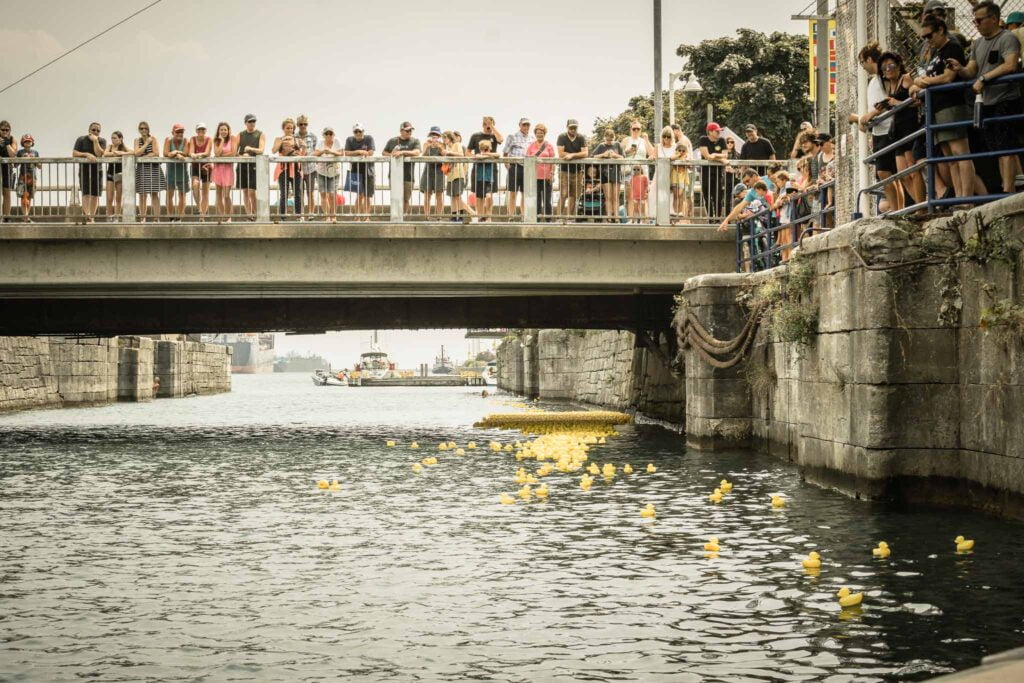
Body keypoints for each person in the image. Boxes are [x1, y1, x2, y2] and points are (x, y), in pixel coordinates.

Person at [948, 1, 1022, 194]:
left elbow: (1011, 64)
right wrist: (961, 69)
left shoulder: (1007, 38)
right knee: (997, 149)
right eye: (975, 21)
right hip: (986, 102)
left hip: (1006, 99)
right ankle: (1008, 187)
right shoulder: (978, 43)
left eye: (980, 20)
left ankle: (1008, 190)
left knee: (1005, 147)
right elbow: (972, 69)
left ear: (994, 19)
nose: (977, 24)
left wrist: (984, 78)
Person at [911, 18, 978, 199]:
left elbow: (948, 77)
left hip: (951, 105)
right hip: (936, 109)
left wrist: (922, 82)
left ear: (940, 30)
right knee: (949, 158)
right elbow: (930, 76)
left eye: (929, 35)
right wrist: (920, 83)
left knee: (960, 153)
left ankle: (967, 198)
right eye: (924, 37)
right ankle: (960, 197)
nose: (927, 40)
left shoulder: (952, 47)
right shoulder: (936, 52)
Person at [850, 42, 903, 213]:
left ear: (869, 59)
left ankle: (898, 209)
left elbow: (889, 100)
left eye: (862, 62)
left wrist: (869, 116)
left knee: (887, 173)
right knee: (885, 174)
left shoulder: (883, 77)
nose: (863, 67)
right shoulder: (873, 81)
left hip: (889, 129)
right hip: (879, 130)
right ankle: (898, 209)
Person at [879, 51, 926, 207]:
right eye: (884, 67)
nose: (888, 69)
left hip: (909, 127)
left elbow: (917, 101)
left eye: (891, 65)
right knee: (903, 175)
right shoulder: (889, 86)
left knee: (913, 171)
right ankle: (918, 205)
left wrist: (895, 103)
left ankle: (921, 206)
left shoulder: (905, 79)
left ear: (899, 65)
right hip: (898, 132)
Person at [467, 117, 503, 220]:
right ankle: (480, 217)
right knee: (479, 196)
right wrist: (478, 157)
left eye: (490, 123)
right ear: (482, 124)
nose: (488, 125)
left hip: (491, 171)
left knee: (489, 195)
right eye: (486, 123)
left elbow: (500, 139)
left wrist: (492, 127)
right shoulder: (475, 136)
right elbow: (468, 152)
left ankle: (489, 217)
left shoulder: (494, 136)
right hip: (478, 170)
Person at [383, 121, 422, 216]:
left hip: (408, 175)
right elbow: (384, 152)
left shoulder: (415, 141)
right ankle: (395, 216)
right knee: (395, 197)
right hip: (394, 175)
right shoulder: (392, 141)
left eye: (410, 130)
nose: (409, 132)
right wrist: (392, 154)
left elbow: (417, 152)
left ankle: (404, 216)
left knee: (406, 198)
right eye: (407, 130)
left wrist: (402, 152)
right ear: (401, 131)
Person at [72, 122, 106, 223]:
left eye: (98, 131)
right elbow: (74, 153)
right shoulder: (81, 139)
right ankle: (87, 215)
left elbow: (99, 153)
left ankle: (92, 217)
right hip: (84, 170)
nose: (95, 132)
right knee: (86, 193)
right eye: (93, 130)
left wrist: (95, 141)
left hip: (97, 170)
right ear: (89, 130)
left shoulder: (102, 141)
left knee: (95, 194)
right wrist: (86, 154)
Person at [272, 117, 305, 220]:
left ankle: (299, 216)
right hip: (283, 168)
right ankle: (283, 217)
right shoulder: (279, 139)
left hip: (296, 167)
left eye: (291, 128)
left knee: (298, 193)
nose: (290, 130)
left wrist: (299, 148)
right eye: (287, 128)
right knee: (284, 193)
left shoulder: (298, 140)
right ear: (283, 128)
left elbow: (303, 152)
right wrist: (282, 141)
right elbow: (274, 150)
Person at [621, 120, 654, 221]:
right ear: (630, 129)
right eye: (634, 128)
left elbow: (652, 153)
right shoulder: (626, 140)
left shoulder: (643, 141)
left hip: (642, 171)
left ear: (640, 130)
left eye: (638, 129)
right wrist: (627, 151)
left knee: (643, 196)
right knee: (630, 196)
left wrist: (647, 140)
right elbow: (619, 153)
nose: (636, 130)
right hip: (629, 170)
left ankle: (644, 219)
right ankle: (631, 219)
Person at [556, 119, 588, 219]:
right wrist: (577, 155)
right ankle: (558, 217)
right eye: (571, 127)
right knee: (564, 194)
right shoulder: (562, 137)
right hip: (564, 170)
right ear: (567, 127)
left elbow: (585, 153)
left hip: (577, 171)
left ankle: (570, 217)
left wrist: (572, 155)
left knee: (574, 195)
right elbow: (561, 154)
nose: (573, 130)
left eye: (575, 127)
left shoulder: (581, 137)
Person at [134, 121, 165, 222]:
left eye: (145, 128)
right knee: (142, 194)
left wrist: (144, 156)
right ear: (139, 130)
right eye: (141, 128)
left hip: (153, 168)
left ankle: (156, 218)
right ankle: (143, 217)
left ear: (148, 130)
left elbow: (156, 153)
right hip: (142, 169)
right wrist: (146, 143)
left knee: (154, 193)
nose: (143, 130)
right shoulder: (137, 140)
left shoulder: (153, 139)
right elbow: (137, 153)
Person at [698, 122, 729, 221]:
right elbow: (707, 156)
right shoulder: (703, 139)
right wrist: (721, 160)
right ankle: (710, 218)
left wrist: (715, 155)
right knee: (707, 196)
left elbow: (725, 155)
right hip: (705, 172)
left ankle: (718, 217)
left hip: (718, 173)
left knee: (718, 197)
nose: (719, 133)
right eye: (717, 131)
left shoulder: (722, 140)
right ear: (710, 132)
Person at [591, 128, 623, 222]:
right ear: (604, 138)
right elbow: (592, 155)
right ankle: (609, 217)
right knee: (608, 197)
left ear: (614, 138)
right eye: (607, 140)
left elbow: (623, 157)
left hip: (616, 173)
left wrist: (615, 155)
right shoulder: (601, 145)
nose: (609, 142)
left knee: (615, 197)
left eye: (611, 140)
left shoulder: (618, 145)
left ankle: (616, 217)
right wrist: (603, 155)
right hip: (605, 174)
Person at [344, 123, 375, 220]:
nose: (358, 133)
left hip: (369, 171)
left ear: (363, 132)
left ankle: (366, 217)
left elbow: (370, 152)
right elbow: (347, 153)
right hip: (356, 170)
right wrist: (359, 152)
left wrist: (357, 153)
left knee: (367, 195)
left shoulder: (369, 138)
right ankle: (357, 216)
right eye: (356, 131)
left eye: (359, 131)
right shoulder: (349, 139)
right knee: (359, 195)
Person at [237, 114, 265, 219]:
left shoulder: (260, 134)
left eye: (254, 121)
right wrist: (242, 156)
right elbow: (235, 152)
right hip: (242, 165)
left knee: (252, 191)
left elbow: (261, 150)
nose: (252, 123)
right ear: (245, 123)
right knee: (244, 191)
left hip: (254, 165)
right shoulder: (240, 135)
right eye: (250, 121)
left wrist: (250, 149)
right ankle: (249, 215)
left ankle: (257, 214)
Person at [443, 130, 474, 221]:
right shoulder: (447, 147)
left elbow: (461, 155)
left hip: (458, 174)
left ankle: (460, 216)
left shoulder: (457, 145)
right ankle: (453, 216)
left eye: (445, 137)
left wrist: (449, 153)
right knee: (452, 196)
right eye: (443, 138)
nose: (444, 139)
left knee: (457, 196)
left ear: (449, 137)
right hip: (450, 175)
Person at [502, 117, 531, 217]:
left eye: (528, 125)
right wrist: (508, 165)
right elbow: (505, 152)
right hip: (514, 167)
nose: (526, 127)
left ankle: (524, 216)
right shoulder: (512, 136)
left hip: (527, 168)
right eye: (524, 125)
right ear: (520, 125)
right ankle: (511, 216)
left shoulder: (532, 138)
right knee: (513, 193)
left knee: (524, 193)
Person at [314, 126, 343, 222]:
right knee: (323, 193)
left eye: (330, 133)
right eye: (326, 134)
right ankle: (327, 216)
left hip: (334, 172)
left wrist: (330, 151)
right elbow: (315, 154)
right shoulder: (320, 143)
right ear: (323, 135)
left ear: (333, 135)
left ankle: (333, 215)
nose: (329, 135)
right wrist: (323, 151)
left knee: (332, 194)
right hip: (321, 171)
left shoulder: (337, 141)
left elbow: (342, 153)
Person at [526, 124, 555, 220]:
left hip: (547, 177)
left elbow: (553, 161)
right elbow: (528, 160)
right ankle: (536, 219)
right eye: (538, 133)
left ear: (544, 134)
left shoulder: (549, 146)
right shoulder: (531, 146)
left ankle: (548, 219)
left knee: (547, 200)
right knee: (537, 200)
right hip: (535, 177)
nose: (539, 134)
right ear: (535, 134)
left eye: (541, 133)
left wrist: (552, 173)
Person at [211, 122, 236, 221]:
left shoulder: (232, 138)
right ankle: (222, 216)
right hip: (218, 169)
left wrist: (222, 156)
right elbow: (217, 153)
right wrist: (221, 141)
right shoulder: (216, 140)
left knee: (226, 195)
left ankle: (228, 216)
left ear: (228, 130)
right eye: (221, 129)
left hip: (228, 170)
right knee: (218, 194)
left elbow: (233, 153)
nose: (223, 131)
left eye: (225, 129)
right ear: (218, 131)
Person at [164, 123, 189, 221]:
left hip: (182, 172)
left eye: (181, 132)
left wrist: (176, 153)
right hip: (171, 172)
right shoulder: (168, 140)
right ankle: (170, 217)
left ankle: (179, 217)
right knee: (170, 194)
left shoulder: (186, 140)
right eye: (177, 131)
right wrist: (176, 154)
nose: (180, 133)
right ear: (172, 132)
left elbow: (186, 153)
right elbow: (166, 153)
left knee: (182, 195)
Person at [103, 131, 130, 221]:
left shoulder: (123, 146)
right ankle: (109, 216)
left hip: (120, 174)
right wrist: (114, 153)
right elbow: (105, 154)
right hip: (110, 173)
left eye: (115, 138)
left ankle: (117, 216)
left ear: (120, 138)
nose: (113, 140)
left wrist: (122, 153)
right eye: (112, 138)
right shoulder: (110, 146)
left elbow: (132, 152)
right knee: (109, 197)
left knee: (118, 198)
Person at [420, 126, 446, 218]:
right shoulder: (426, 144)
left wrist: (440, 148)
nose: (434, 137)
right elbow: (422, 156)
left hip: (439, 172)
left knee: (439, 195)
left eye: (436, 135)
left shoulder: (442, 145)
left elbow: (445, 156)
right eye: (433, 135)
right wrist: (427, 147)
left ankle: (439, 216)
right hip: (427, 171)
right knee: (427, 194)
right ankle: (427, 215)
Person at [188, 123, 212, 221]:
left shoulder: (209, 139)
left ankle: (202, 216)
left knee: (205, 192)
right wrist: (195, 155)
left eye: (203, 129)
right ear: (196, 131)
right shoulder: (193, 139)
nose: (201, 131)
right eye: (199, 129)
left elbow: (207, 153)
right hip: (195, 166)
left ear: (205, 130)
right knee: (195, 185)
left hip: (207, 166)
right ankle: (200, 209)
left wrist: (197, 155)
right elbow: (191, 152)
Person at [671, 124, 694, 222]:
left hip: (685, 172)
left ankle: (685, 219)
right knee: (684, 196)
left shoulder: (682, 141)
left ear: (676, 130)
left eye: (672, 133)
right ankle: (685, 218)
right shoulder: (684, 139)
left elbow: (687, 156)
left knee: (684, 196)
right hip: (681, 172)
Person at [296, 115, 317, 217]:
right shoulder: (294, 137)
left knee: (310, 192)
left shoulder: (313, 136)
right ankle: (301, 215)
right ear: (298, 125)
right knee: (300, 193)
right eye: (301, 124)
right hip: (298, 169)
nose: (303, 126)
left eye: (305, 124)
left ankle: (311, 214)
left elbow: (315, 151)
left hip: (311, 168)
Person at [15, 134, 39, 221]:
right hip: (22, 176)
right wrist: (21, 158)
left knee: (29, 196)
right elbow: (15, 165)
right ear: (23, 143)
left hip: (32, 177)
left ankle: (27, 215)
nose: (27, 143)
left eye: (29, 141)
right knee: (23, 196)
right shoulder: (20, 152)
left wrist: (34, 159)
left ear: (32, 142)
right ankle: (25, 216)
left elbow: (40, 166)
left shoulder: (35, 152)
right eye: (25, 141)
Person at [0, 121, 14, 222]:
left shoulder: (12, 139)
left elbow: (13, 154)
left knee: (7, 192)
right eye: (2, 130)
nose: (5, 132)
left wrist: (6, 144)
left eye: (7, 130)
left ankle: (7, 217)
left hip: (7, 168)